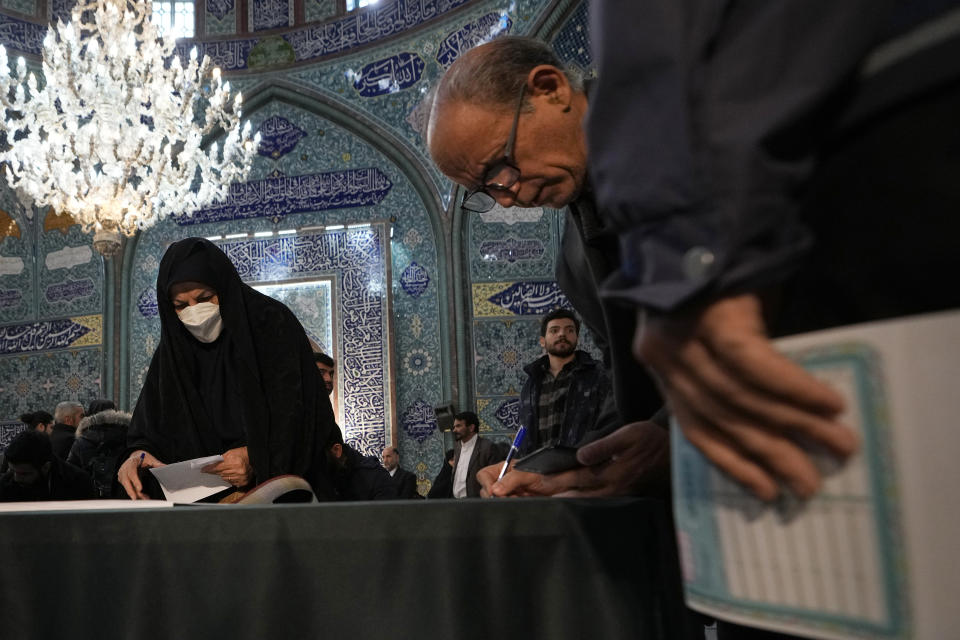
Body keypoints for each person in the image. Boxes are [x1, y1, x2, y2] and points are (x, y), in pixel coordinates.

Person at [584, 1, 960, 503]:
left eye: (500, 168)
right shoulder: (573, 234)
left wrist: (686, 255)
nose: (505, 192)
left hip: (873, 144)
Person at [427, 36, 667, 498]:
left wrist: (677, 436)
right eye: (487, 190)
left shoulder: (680, 129)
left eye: (501, 168)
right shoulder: (575, 262)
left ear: (550, 89)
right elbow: (633, 385)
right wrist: (553, 472)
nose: (507, 197)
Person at [117, 237, 338, 501]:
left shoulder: (271, 325)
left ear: (224, 287)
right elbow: (148, 431)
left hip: (278, 509)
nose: (194, 312)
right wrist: (136, 457)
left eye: (205, 298)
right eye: (180, 306)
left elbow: (304, 418)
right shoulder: (173, 354)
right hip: (201, 521)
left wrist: (254, 456)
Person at [517, 308, 611, 454]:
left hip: (582, 467)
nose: (562, 334)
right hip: (538, 470)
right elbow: (524, 431)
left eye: (569, 330)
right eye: (554, 330)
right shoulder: (531, 384)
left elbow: (608, 423)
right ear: (543, 341)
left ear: (576, 338)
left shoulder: (597, 374)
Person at [0, 430, 96, 501]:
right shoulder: (5, 484)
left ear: (46, 467)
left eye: (24, 474)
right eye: (12, 471)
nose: (16, 478)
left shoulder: (77, 482)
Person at [67, 408, 131, 498]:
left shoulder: (82, 441)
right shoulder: (130, 439)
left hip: (88, 499)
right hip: (127, 496)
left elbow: (70, 472)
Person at [450, 412, 505, 498]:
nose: (454, 430)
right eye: (454, 427)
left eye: (458, 426)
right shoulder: (457, 446)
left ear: (471, 427)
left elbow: (495, 478)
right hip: (457, 502)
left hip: (477, 504)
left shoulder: (487, 447)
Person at [328, 435, 396, 501]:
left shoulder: (377, 477)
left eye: (388, 456)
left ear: (337, 450)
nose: (385, 460)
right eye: (383, 457)